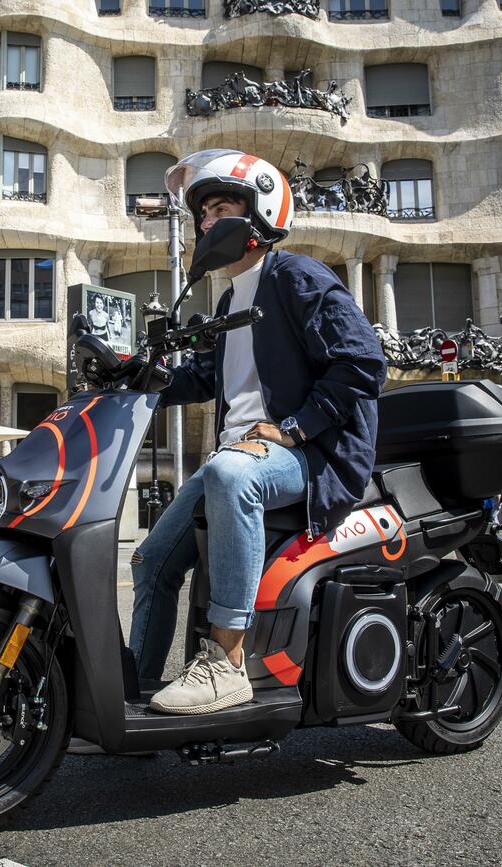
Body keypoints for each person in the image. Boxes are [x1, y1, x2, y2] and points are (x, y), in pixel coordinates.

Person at [130, 149, 386, 715]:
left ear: (260, 211)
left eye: (219, 207)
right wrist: (136, 378)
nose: (205, 223)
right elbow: (202, 377)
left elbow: (363, 363)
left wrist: (295, 428)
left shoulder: (295, 276)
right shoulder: (228, 299)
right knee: (151, 561)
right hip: (244, 455)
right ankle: (135, 689)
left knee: (228, 473)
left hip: (312, 455)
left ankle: (227, 664)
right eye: (202, 214)